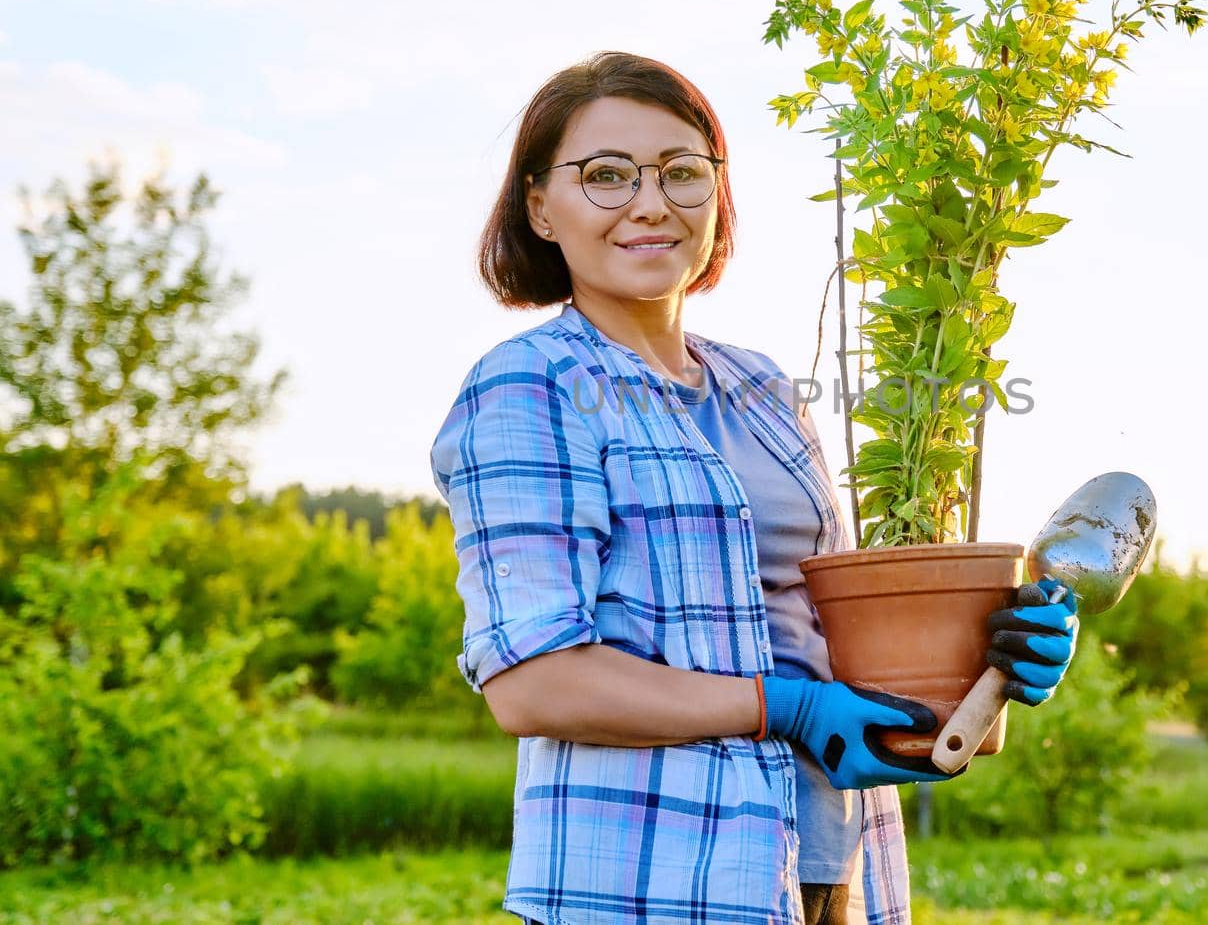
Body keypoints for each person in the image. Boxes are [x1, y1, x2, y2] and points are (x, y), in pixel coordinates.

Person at [428, 51, 1079, 925]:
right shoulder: (529, 385)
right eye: (606, 176)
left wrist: (992, 649)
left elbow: (831, 637)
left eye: (682, 173)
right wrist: (786, 706)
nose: (650, 203)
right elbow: (535, 681)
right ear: (541, 207)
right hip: (650, 881)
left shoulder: (766, 390)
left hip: (831, 868)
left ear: (717, 197)